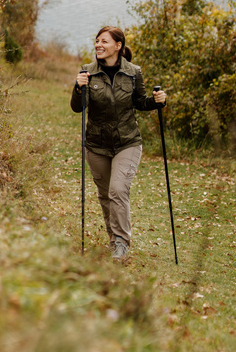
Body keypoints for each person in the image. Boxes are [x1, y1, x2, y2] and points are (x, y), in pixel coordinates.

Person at [70, 26, 167, 260]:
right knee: (105, 195)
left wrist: (157, 102)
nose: (98, 45)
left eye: (104, 41)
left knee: (117, 190)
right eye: (96, 41)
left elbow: (140, 103)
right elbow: (77, 107)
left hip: (127, 142)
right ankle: (114, 241)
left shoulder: (133, 72)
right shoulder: (87, 72)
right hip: (96, 145)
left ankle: (122, 243)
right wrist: (78, 87)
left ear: (118, 46)